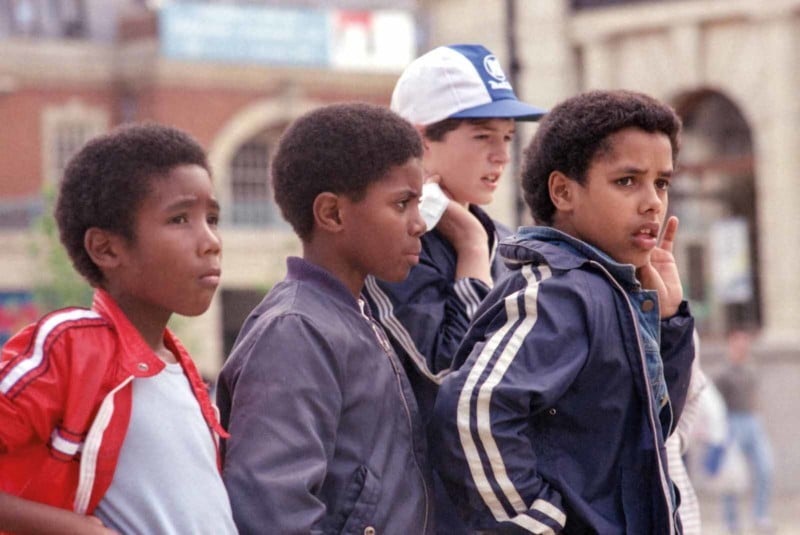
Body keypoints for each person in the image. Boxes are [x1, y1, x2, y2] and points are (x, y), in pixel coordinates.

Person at [431, 89, 696, 533]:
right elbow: (472, 411)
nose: (652, 201)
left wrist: (667, 322)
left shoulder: (613, 291)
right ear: (563, 191)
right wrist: (537, 522)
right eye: (627, 181)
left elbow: (653, 425)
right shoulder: (559, 291)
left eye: (662, 182)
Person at [0, 124, 236, 534]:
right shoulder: (72, 345)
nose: (210, 240)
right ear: (106, 248)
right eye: (180, 219)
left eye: (212, 218)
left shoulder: (184, 371)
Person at [216, 103, 434, 534]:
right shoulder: (296, 331)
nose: (420, 223)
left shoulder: (359, 317)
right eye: (402, 204)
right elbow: (273, 512)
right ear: (332, 213)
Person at [363, 43, 546, 419]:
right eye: (483, 136)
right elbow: (451, 370)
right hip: (430, 473)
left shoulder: (510, 242)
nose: (501, 155)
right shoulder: (390, 243)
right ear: (419, 140)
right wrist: (472, 248)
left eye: (507, 137)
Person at [715, 329, 775, 534]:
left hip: (753, 421)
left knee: (765, 468)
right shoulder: (723, 374)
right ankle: (731, 521)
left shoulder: (752, 370)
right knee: (732, 475)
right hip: (733, 422)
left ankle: (761, 515)